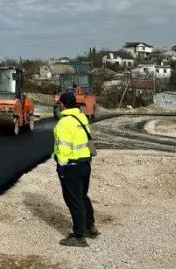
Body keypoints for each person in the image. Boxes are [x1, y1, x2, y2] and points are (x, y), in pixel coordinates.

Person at [53, 91, 99, 247]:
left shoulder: (63, 123)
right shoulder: (81, 117)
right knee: (83, 196)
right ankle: (89, 226)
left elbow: (63, 149)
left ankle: (79, 236)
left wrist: (61, 167)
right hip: (85, 163)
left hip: (72, 166)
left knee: (74, 200)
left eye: (59, 104)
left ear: (62, 105)